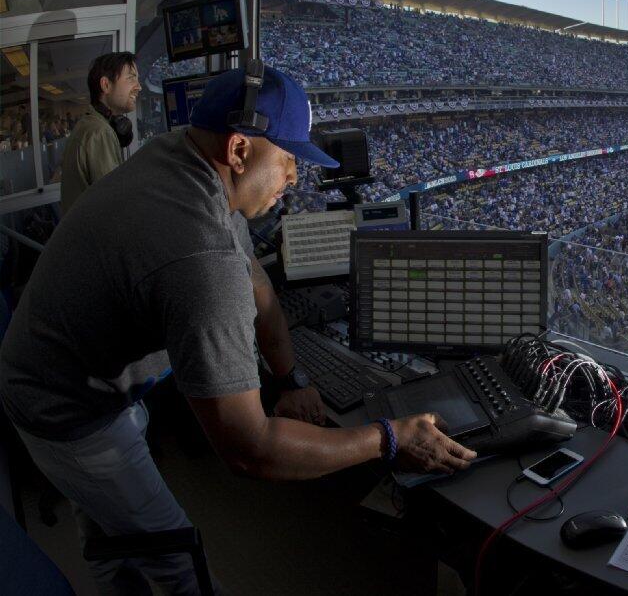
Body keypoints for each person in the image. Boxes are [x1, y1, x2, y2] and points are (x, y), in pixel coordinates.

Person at [0, 66, 476, 595]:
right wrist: (389, 438)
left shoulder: (181, 157)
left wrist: (291, 378)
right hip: (65, 405)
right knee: (172, 556)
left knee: (118, 536)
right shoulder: (200, 254)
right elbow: (250, 449)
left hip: (71, 369)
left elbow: (260, 291)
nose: (296, 177)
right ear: (239, 151)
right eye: (290, 158)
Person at [60, 52, 142, 214]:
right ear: (106, 85)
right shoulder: (99, 132)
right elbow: (115, 206)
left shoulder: (90, 124)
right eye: (131, 78)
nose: (139, 86)